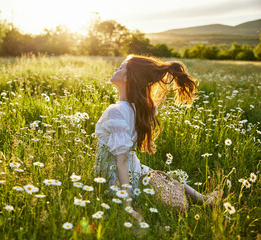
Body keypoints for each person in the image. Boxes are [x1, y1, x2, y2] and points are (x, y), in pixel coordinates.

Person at [94, 54, 223, 222]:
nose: (115, 69)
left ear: (128, 77)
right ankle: (203, 199)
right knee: (162, 178)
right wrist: (167, 68)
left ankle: (201, 199)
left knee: (156, 177)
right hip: (134, 169)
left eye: (121, 67)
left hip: (115, 175)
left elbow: (121, 161)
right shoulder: (144, 109)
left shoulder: (115, 111)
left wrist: (127, 206)